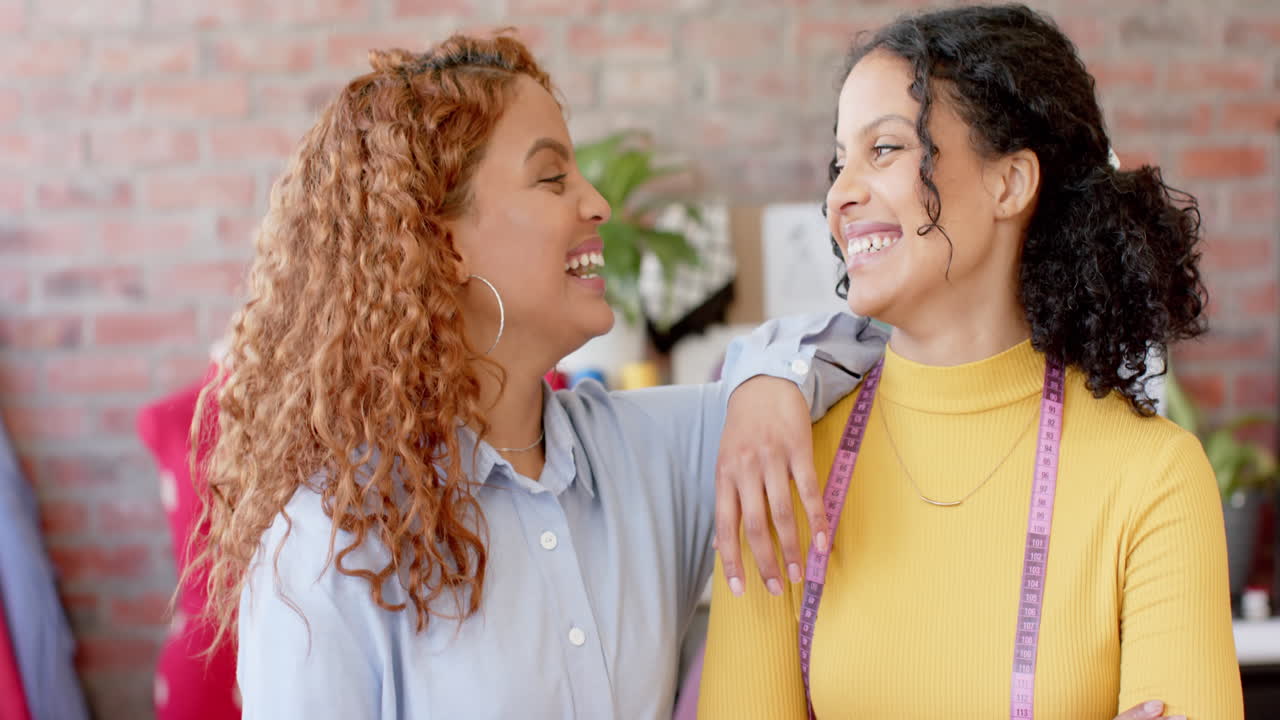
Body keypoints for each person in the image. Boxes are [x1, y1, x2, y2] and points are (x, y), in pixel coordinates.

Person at [187, 33, 888, 719]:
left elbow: (881, 337)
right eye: (552, 177)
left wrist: (768, 383)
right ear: (444, 241)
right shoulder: (327, 540)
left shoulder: (646, 457)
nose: (597, 204)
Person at [699, 5, 1242, 719]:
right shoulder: (780, 473)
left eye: (886, 149)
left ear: (1009, 184)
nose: (840, 195)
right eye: (839, 162)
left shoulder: (1152, 480)